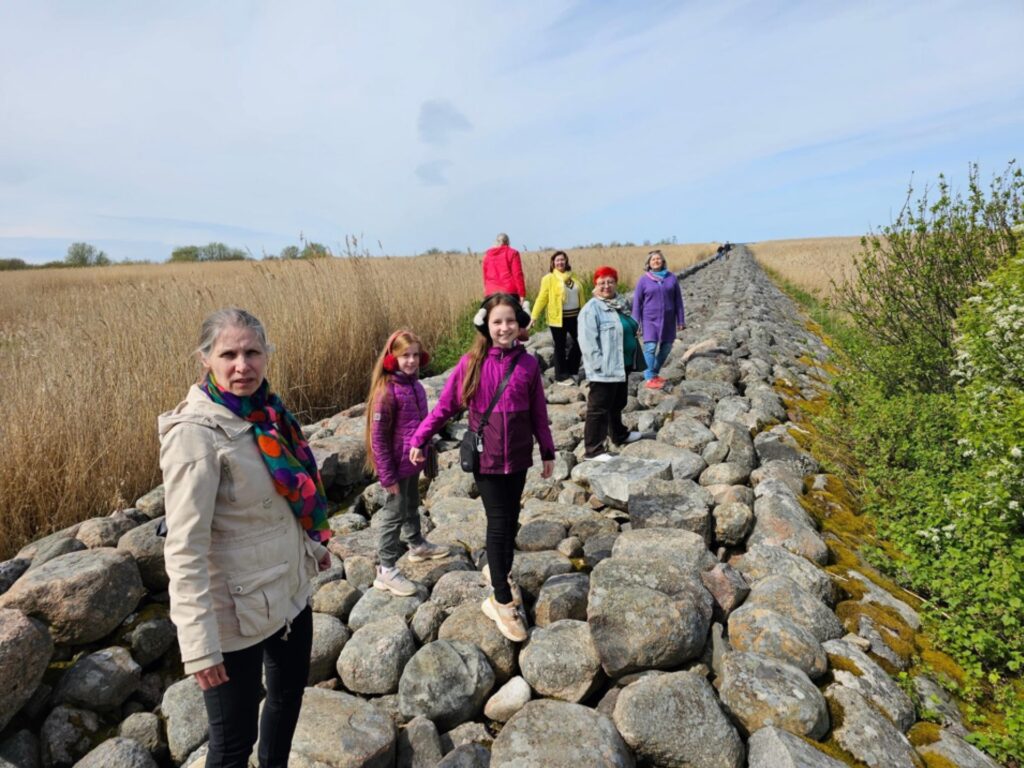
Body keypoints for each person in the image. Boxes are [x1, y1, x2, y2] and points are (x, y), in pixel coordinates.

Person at [159, 308, 332, 768]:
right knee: (231, 746)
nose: (243, 365)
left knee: (286, 700)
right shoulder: (196, 435)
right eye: (229, 354)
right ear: (206, 360)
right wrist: (198, 647)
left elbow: (278, 505)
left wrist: (311, 548)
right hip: (233, 616)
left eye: (252, 352)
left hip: (289, 594)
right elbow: (184, 548)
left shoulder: (269, 413)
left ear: (266, 355)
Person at [409, 294, 555, 642]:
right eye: (497, 322)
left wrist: (547, 450)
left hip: (518, 456)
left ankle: (500, 572)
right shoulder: (472, 363)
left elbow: (538, 413)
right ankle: (500, 598)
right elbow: (444, 407)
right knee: (500, 522)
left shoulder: (529, 365)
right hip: (486, 458)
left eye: (510, 321)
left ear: (519, 325)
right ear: (486, 327)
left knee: (511, 520)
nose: (504, 328)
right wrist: (419, 438)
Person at [365, 329, 449, 596]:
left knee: (412, 504)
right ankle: (386, 570)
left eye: (415, 355)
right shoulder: (386, 392)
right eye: (405, 356)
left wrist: (426, 450)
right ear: (392, 359)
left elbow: (420, 426)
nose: (411, 361)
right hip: (396, 467)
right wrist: (387, 477)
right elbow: (378, 439)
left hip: (412, 462)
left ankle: (416, 545)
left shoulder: (414, 385)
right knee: (393, 515)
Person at [578, 266, 644, 461]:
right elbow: (588, 342)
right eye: (601, 282)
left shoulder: (619, 304)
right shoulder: (591, 309)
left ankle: (619, 434)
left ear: (615, 283)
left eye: (610, 281)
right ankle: (593, 449)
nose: (606, 286)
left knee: (617, 403)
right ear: (595, 285)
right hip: (604, 368)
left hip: (621, 364)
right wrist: (598, 367)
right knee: (598, 408)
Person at [531, 250, 588, 384]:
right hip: (558, 318)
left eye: (562, 260)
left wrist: (586, 312)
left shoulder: (573, 276)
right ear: (553, 263)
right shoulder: (548, 279)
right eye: (557, 260)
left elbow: (582, 295)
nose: (560, 262)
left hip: (575, 316)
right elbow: (542, 298)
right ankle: (561, 376)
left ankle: (571, 369)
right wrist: (534, 316)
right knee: (560, 346)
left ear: (566, 261)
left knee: (581, 342)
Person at [632, 249, 686, 390]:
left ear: (663, 261)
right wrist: (635, 324)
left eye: (658, 259)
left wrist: (680, 320)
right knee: (650, 347)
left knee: (667, 347)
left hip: (668, 320)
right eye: (653, 259)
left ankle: (654, 372)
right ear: (648, 264)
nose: (656, 261)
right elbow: (637, 303)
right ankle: (649, 378)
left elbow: (678, 301)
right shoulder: (643, 280)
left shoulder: (671, 277)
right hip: (650, 319)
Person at [482, 233, 526, 303]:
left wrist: (486, 291)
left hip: (491, 293)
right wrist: (522, 294)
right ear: (508, 242)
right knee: (521, 313)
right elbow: (517, 274)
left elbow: (485, 276)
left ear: (496, 242)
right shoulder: (513, 253)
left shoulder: (487, 255)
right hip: (509, 292)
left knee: (483, 312)